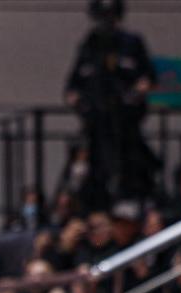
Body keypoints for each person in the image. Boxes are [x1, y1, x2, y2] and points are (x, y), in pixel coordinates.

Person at [63, 0, 157, 206]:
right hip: (95, 122)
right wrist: (79, 100)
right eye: (102, 17)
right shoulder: (89, 44)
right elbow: (72, 85)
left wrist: (136, 92)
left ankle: (134, 199)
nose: (106, 22)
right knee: (90, 168)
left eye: (110, 16)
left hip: (126, 124)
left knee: (133, 165)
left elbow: (149, 77)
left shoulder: (132, 43)